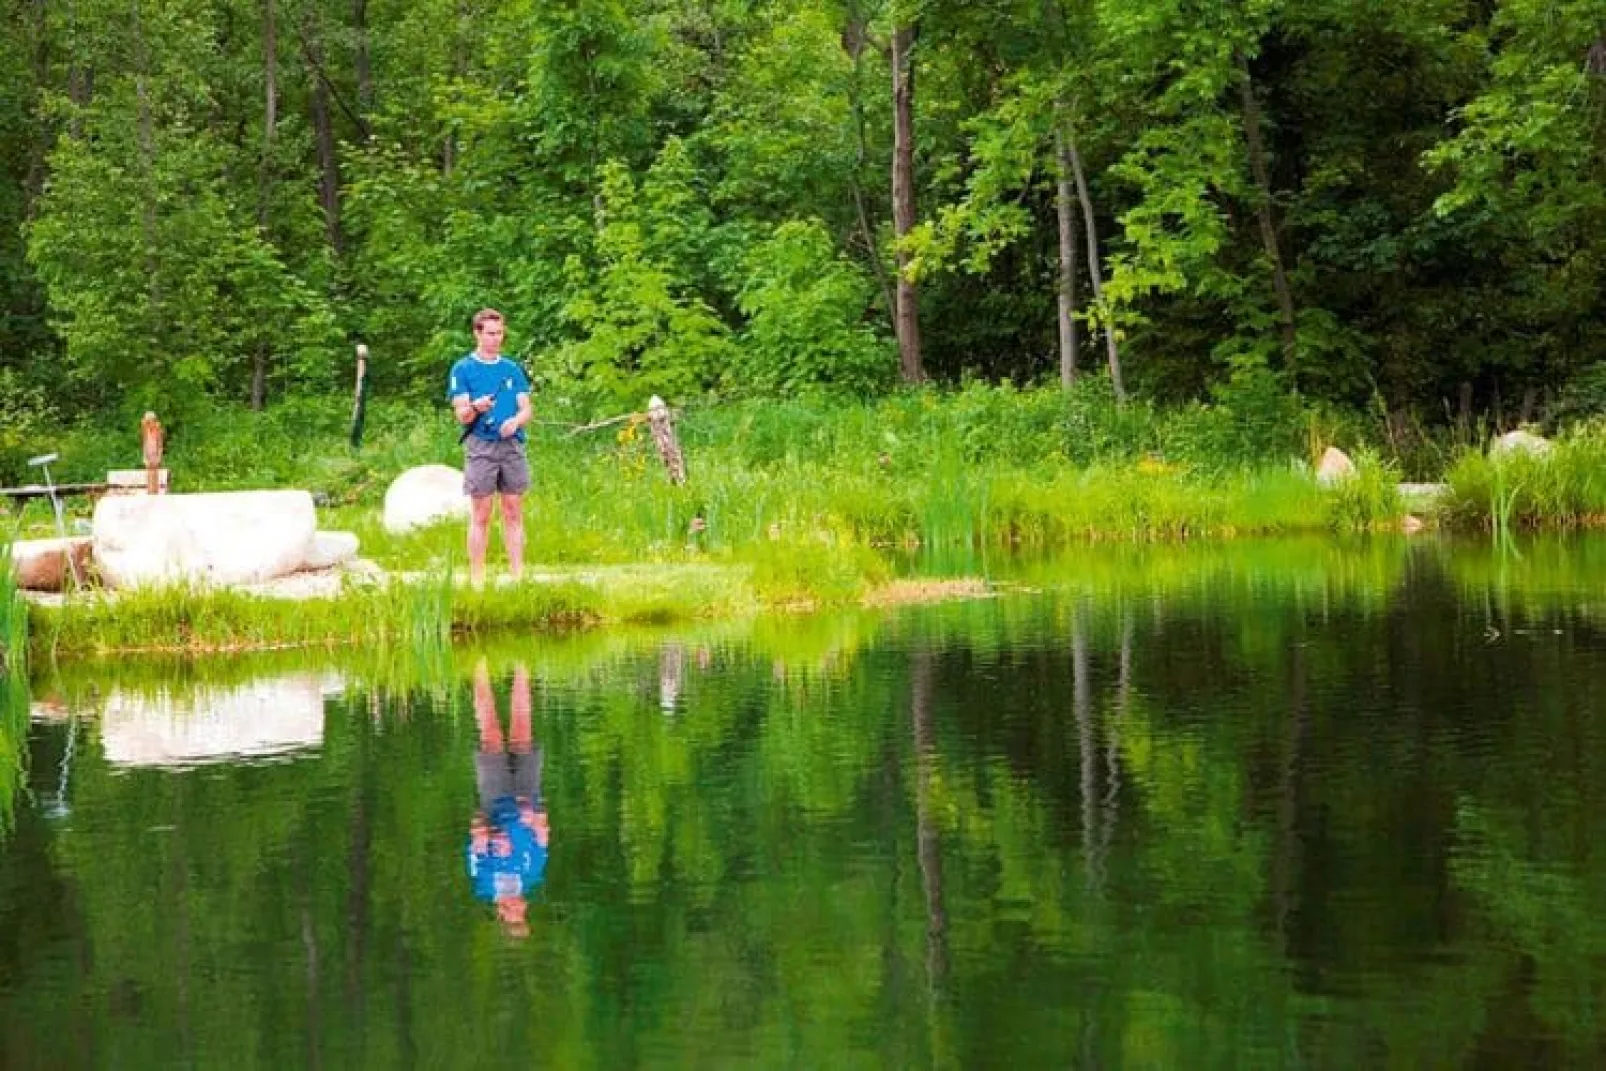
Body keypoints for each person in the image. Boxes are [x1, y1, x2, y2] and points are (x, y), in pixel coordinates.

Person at [448, 309, 532, 585]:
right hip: (481, 445)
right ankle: (477, 579)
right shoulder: (462, 369)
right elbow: (461, 414)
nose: (496, 339)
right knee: (482, 513)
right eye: (491, 333)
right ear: (477, 333)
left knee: (513, 510)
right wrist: (475, 406)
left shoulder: (511, 369)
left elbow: (526, 409)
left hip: (511, 445)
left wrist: (516, 422)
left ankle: (518, 575)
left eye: (500, 333)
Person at [465, 660, 549, 938]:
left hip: (496, 800)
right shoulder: (532, 874)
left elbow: (475, 827)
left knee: (490, 734)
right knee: (523, 729)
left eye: (514, 913)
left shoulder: (484, 882)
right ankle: (521, 662)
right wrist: (534, 819)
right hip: (527, 796)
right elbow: (544, 833)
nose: (519, 907)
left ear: (502, 912)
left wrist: (489, 835)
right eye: (522, 912)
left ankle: (478, 665)